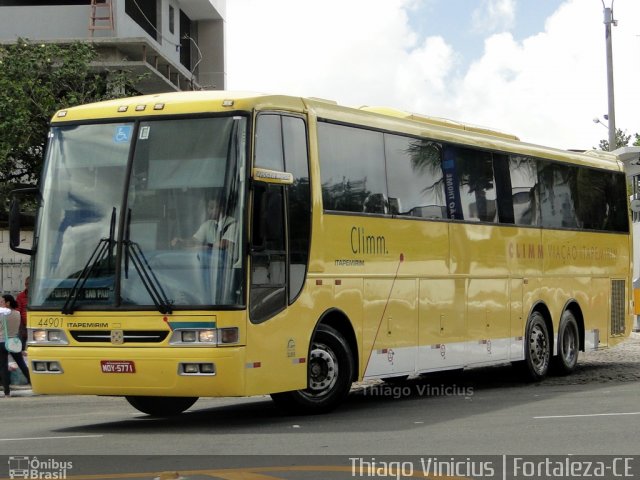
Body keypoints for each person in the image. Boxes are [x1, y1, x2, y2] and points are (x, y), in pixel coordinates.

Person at [171, 197, 236, 251]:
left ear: (222, 208)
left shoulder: (233, 224)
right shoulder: (207, 224)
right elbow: (195, 240)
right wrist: (182, 241)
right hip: (210, 263)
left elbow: (223, 244)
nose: (209, 210)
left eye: (212, 208)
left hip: (227, 264)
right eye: (208, 207)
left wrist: (204, 247)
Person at [0, 294, 31, 398]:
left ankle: (7, 392)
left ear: (7, 303)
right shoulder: (18, 313)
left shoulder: (1, 314)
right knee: (22, 364)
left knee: (3, 367)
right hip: (14, 342)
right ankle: (33, 384)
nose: (0, 303)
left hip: (2, 342)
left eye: (2, 302)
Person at [16, 276, 29, 349]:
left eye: (30, 284)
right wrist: (21, 327)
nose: (28, 285)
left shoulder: (40, 295)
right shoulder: (20, 296)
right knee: (20, 346)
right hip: (23, 325)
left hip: (37, 323)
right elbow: (18, 312)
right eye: (27, 284)